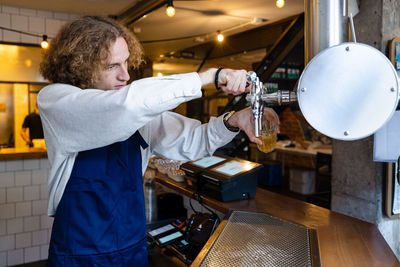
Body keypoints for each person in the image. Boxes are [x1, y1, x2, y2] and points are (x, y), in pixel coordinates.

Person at [38, 16, 279, 266]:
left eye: (126, 63)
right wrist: (208, 78)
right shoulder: (57, 100)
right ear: (82, 66)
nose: (125, 75)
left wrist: (233, 121)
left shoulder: (137, 113)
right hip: (79, 253)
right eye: (112, 66)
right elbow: (123, 108)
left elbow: (195, 139)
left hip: (131, 247)